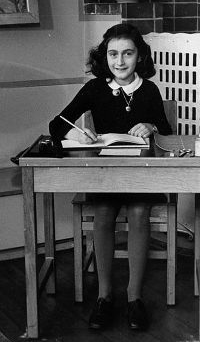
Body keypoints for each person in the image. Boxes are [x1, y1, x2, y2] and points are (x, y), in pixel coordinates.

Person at [49, 23, 172, 331]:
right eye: (113, 54)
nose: (120, 61)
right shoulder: (94, 88)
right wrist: (79, 133)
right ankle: (105, 296)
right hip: (105, 175)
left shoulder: (149, 90)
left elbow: (167, 133)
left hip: (142, 176)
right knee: (103, 215)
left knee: (139, 212)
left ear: (139, 57)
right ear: (104, 57)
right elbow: (57, 124)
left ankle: (134, 297)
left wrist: (152, 126)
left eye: (127, 54)